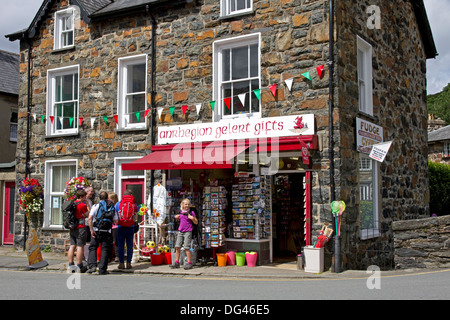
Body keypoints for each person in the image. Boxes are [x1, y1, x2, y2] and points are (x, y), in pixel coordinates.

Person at [86, 191, 118, 275]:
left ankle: (92, 266)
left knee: (93, 247)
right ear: (107, 198)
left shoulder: (95, 206)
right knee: (105, 249)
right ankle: (102, 269)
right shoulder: (111, 206)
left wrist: (91, 230)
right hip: (107, 231)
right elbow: (116, 220)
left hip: (96, 230)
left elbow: (90, 218)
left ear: (99, 198)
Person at [171, 198, 198, 270]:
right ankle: (177, 262)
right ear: (183, 205)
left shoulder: (191, 212)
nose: (187, 205)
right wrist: (176, 217)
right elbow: (178, 217)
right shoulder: (180, 211)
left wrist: (192, 218)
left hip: (188, 231)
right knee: (177, 246)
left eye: (188, 204)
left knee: (186, 247)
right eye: (186, 204)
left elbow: (196, 222)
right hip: (181, 231)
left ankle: (189, 263)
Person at [68, 189, 89, 273]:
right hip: (80, 227)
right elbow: (87, 214)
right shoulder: (82, 205)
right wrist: (87, 205)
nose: (85, 198)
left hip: (72, 227)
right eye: (84, 197)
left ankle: (71, 265)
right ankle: (79, 265)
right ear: (81, 196)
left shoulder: (72, 204)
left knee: (72, 245)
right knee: (80, 246)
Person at [117, 189, 137, 269]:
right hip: (130, 227)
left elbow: (116, 215)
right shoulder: (134, 204)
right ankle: (129, 263)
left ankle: (121, 263)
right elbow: (135, 217)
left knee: (121, 246)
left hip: (120, 226)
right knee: (129, 246)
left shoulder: (119, 203)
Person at [108, 192, 119, 262]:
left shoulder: (113, 207)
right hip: (115, 226)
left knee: (113, 241)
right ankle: (115, 256)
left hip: (113, 226)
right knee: (114, 241)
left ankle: (114, 256)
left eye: (109, 199)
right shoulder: (118, 205)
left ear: (112, 199)